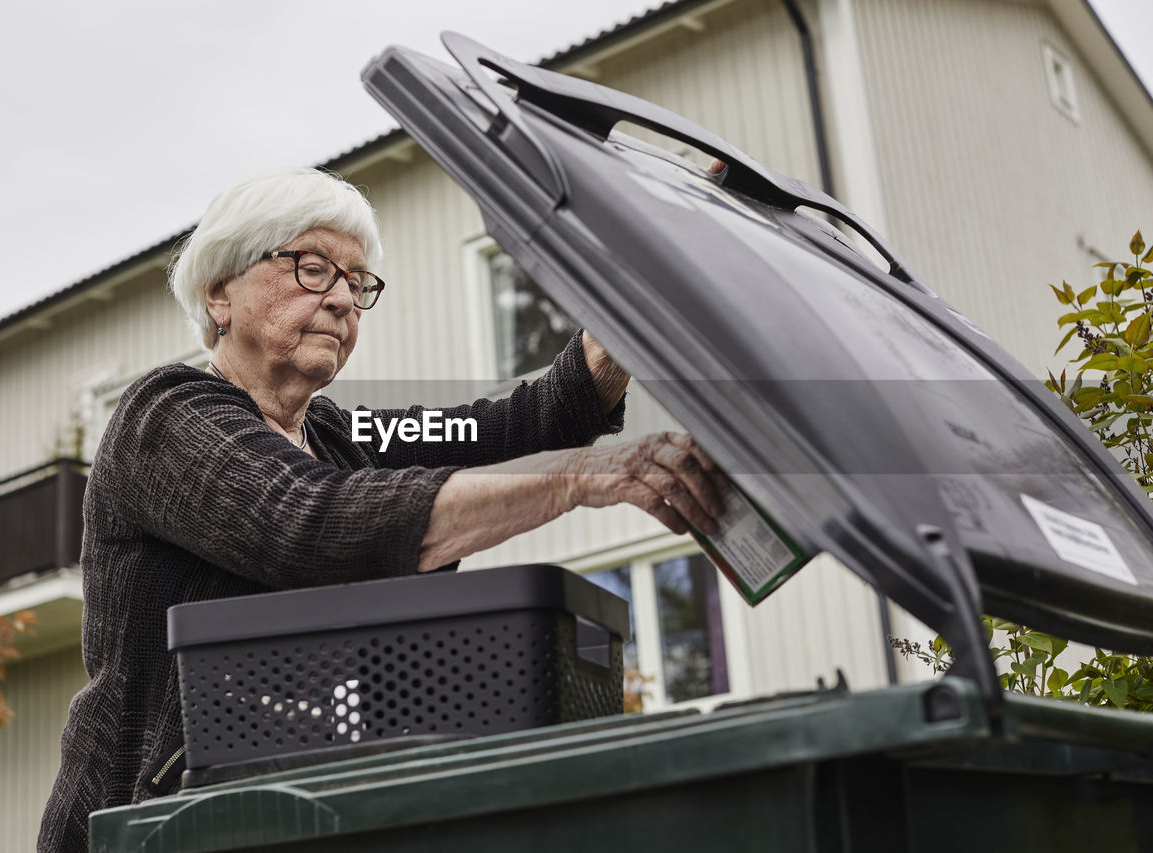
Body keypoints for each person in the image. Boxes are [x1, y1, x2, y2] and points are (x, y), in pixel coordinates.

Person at [37, 168, 725, 852]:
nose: (342, 299)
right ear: (221, 292)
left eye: (357, 282)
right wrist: (575, 476)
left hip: (288, 817)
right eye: (312, 268)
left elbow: (515, 425)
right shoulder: (168, 416)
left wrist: (642, 281)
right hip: (144, 827)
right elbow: (307, 520)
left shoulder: (341, 436)